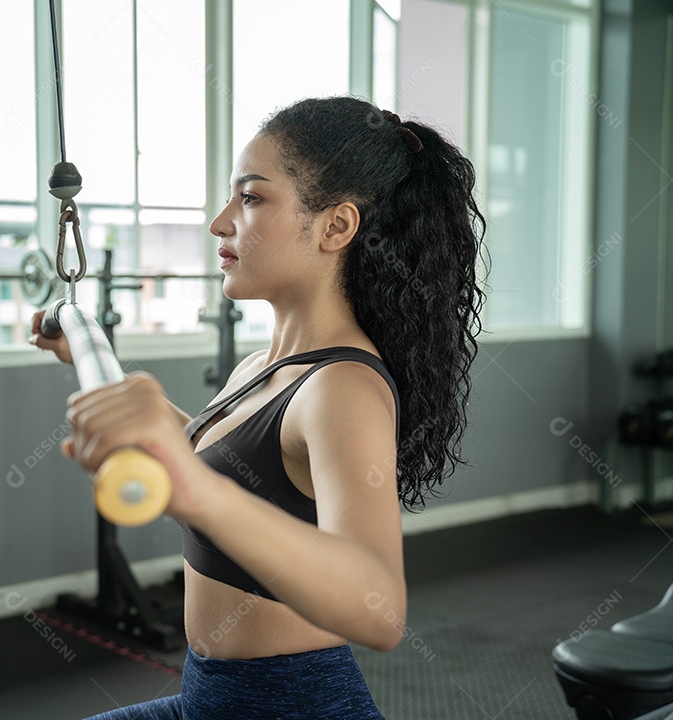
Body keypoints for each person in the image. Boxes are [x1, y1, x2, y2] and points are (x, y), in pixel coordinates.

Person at [30, 95, 485, 720]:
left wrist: (190, 489)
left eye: (250, 198)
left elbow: (379, 609)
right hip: (210, 700)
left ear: (336, 227)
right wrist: (94, 360)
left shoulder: (341, 388)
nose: (221, 223)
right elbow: (220, 463)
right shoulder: (264, 368)